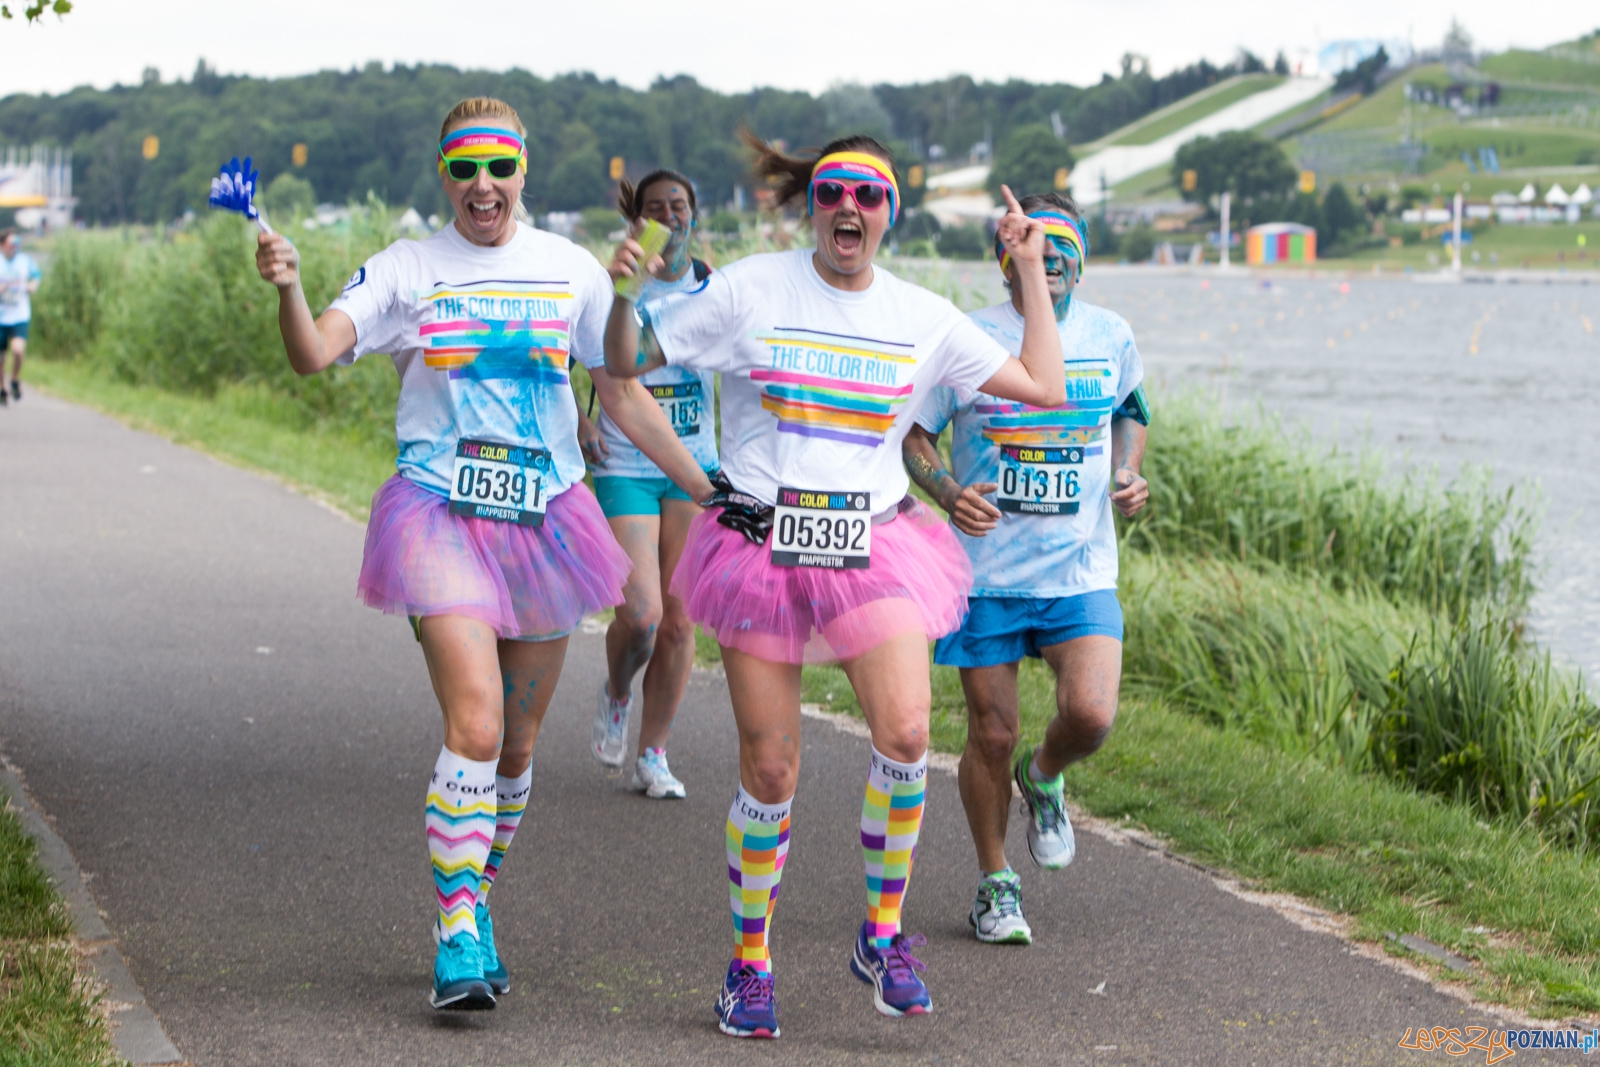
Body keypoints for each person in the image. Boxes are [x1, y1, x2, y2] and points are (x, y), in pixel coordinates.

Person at [603, 132, 1066, 1039]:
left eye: (869, 194)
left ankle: (883, 934)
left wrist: (1031, 268)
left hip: (876, 544)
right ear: (810, 202)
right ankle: (748, 964)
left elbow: (1044, 383)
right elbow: (623, 363)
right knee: (771, 770)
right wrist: (622, 291)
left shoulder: (923, 315)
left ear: (890, 211)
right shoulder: (748, 289)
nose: (848, 207)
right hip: (761, 548)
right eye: (832, 191)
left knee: (906, 730)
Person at [253, 97, 703, 1012]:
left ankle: (475, 901)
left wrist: (708, 486)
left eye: (498, 166)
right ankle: (456, 932)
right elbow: (313, 354)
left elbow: (620, 391)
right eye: (465, 168)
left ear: (523, 172)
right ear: (444, 175)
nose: (482, 184)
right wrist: (290, 286)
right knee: (478, 721)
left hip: (547, 522)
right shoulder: (409, 268)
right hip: (438, 513)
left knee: (519, 744)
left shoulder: (567, 268)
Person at [902, 192, 1149, 946]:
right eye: (1040, 245)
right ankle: (994, 880)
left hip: (1080, 570)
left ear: (1084, 257)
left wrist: (1129, 470)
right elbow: (914, 437)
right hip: (986, 576)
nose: (1055, 258)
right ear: (1006, 254)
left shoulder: (1109, 334)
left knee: (1091, 715)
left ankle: (1045, 777)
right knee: (991, 732)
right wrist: (945, 490)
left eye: (1067, 245)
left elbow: (1129, 408)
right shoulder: (968, 338)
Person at [585, 169, 720, 799]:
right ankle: (618, 692)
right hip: (626, 464)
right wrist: (580, 419)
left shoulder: (717, 290)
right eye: (655, 208)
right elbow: (561, 358)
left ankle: (654, 754)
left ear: (696, 216)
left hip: (694, 470)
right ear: (636, 221)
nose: (670, 215)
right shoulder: (610, 284)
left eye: (680, 206)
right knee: (641, 614)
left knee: (679, 622)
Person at [0, 228, 41, 405]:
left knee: (18, 350)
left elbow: (37, 275)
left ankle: (14, 379)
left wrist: (33, 285)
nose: (14, 247)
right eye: (11, 244)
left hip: (19, 315)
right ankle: (2, 389)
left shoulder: (25, 261)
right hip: (1, 317)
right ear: (2, 245)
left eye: (17, 244)